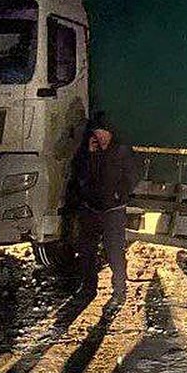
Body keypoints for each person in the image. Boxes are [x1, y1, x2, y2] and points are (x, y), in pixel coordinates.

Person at [66, 112, 142, 306]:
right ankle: (88, 287)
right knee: (87, 250)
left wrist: (121, 194)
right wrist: (90, 155)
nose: (100, 138)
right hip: (91, 206)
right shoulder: (87, 152)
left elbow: (132, 176)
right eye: (97, 134)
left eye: (103, 134)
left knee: (114, 251)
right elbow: (79, 174)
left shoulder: (121, 151)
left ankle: (119, 290)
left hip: (113, 208)